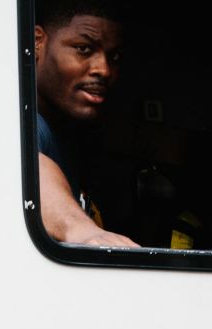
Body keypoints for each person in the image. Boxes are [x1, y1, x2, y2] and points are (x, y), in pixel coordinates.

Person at [35, 0, 139, 247]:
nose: (104, 69)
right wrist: (82, 231)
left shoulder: (73, 134)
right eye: (83, 49)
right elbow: (27, 164)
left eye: (114, 56)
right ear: (37, 41)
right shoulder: (28, 125)